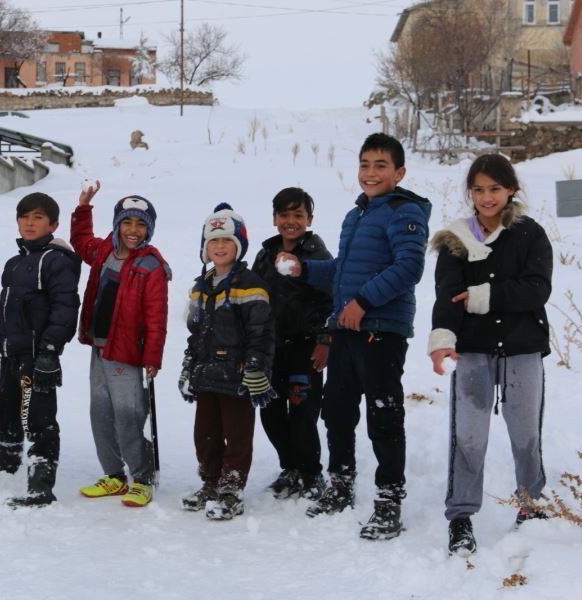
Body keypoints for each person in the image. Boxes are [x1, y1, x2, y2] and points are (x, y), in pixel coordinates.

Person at [278, 133, 431, 540]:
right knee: (337, 413)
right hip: (346, 332)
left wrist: (363, 302)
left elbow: (410, 266)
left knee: (383, 415)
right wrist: (305, 270)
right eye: (365, 164)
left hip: (381, 332)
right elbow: (343, 270)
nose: (371, 172)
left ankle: (388, 499)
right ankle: (341, 485)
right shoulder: (355, 215)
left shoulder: (404, 212)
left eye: (381, 165)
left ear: (399, 172)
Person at [428, 153, 553, 556]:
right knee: (468, 436)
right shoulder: (456, 239)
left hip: (522, 348)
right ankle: (461, 517)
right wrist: (442, 338)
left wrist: (482, 297)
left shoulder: (530, 234)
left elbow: (538, 289)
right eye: (478, 189)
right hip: (473, 351)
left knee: (526, 432)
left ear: (511, 189)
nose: (486, 197)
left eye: (495, 189)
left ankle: (530, 505)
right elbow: (447, 295)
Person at [0, 192, 81, 508]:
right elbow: (7, 307)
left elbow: (65, 308)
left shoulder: (56, 262)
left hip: (37, 356)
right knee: (5, 406)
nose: (29, 223)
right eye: (24, 217)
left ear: (53, 224)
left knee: (38, 417)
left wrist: (49, 350)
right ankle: (6, 459)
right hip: (11, 352)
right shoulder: (15, 263)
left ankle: (41, 485)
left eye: (37, 217)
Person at [71, 180, 170, 508]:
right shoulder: (103, 252)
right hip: (100, 349)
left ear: (149, 230)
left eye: (141, 224)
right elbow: (80, 241)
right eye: (126, 222)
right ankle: (113, 475)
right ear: (116, 225)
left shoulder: (151, 266)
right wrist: (84, 208)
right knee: (100, 413)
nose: (133, 230)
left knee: (128, 414)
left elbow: (157, 317)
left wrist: (153, 356)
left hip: (128, 353)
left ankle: (141, 477)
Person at [180, 203, 277, 521]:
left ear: (239, 245)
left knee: (236, 435)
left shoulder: (251, 285)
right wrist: (189, 364)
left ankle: (231, 488)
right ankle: (210, 482)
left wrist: (255, 365)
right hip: (207, 374)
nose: (220, 247)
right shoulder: (201, 286)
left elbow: (261, 333)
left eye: (227, 241)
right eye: (214, 241)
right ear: (205, 247)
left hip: (237, 376)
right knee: (204, 434)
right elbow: (195, 332)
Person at [250, 187, 333, 500]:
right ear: (274, 219)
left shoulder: (317, 256)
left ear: (309, 219)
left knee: (302, 413)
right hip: (271, 349)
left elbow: (331, 302)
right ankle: (291, 468)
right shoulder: (264, 255)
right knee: (270, 412)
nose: (290, 221)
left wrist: (325, 341)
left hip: (306, 347)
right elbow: (254, 301)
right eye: (284, 214)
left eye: (298, 215)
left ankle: (311, 472)